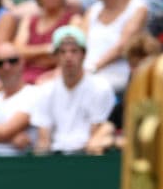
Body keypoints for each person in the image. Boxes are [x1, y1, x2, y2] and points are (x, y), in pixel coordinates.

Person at [31, 26, 116, 154]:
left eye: (74, 51)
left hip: (87, 156)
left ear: (84, 54)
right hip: (55, 157)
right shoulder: (45, 91)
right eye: (62, 52)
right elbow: (43, 140)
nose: (68, 57)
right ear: (55, 56)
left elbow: (96, 136)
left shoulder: (100, 87)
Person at [84, 31, 163, 154]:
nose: (139, 70)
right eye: (134, 65)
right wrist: (112, 141)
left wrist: (118, 142)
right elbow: (95, 142)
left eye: (145, 64)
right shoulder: (124, 106)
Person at [81, 0, 149, 93]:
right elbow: (80, 43)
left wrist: (93, 68)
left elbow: (121, 47)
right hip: (85, 73)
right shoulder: (92, 10)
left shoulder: (138, 8)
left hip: (117, 75)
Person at [13, 0, 81, 84]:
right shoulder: (29, 20)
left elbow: (68, 56)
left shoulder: (74, 20)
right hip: (21, 77)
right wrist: (47, 49)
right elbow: (17, 52)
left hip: (53, 78)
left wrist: (31, 54)